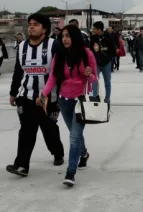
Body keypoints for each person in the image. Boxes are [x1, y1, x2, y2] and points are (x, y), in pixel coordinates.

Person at [6, 13, 65, 177]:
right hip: (26, 97)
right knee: (26, 131)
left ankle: (57, 152)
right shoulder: (22, 46)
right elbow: (18, 71)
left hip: (49, 98)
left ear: (44, 29)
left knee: (49, 129)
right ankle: (21, 165)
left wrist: (62, 96)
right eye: (30, 24)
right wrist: (13, 92)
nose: (31, 27)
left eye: (36, 24)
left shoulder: (54, 45)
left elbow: (60, 72)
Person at [39, 24, 97, 187]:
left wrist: (89, 74)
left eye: (68, 36)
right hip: (64, 100)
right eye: (62, 36)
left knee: (74, 137)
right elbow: (52, 77)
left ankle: (70, 172)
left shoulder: (87, 54)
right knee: (74, 133)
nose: (64, 39)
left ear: (75, 37)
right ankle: (83, 153)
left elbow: (94, 79)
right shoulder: (59, 55)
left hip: (81, 101)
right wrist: (44, 93)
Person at [90, 21, 116, 103]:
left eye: (94, 28)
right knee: (94, 81)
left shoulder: (108, 37)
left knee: (107, 81)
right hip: (96, 63)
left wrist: (107, 58)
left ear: (99, 29)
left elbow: (112, 51)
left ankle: (107, 98)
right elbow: (90, 49)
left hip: (106, 63)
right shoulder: (93, 38)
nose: (93, 30)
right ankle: (95, 97)